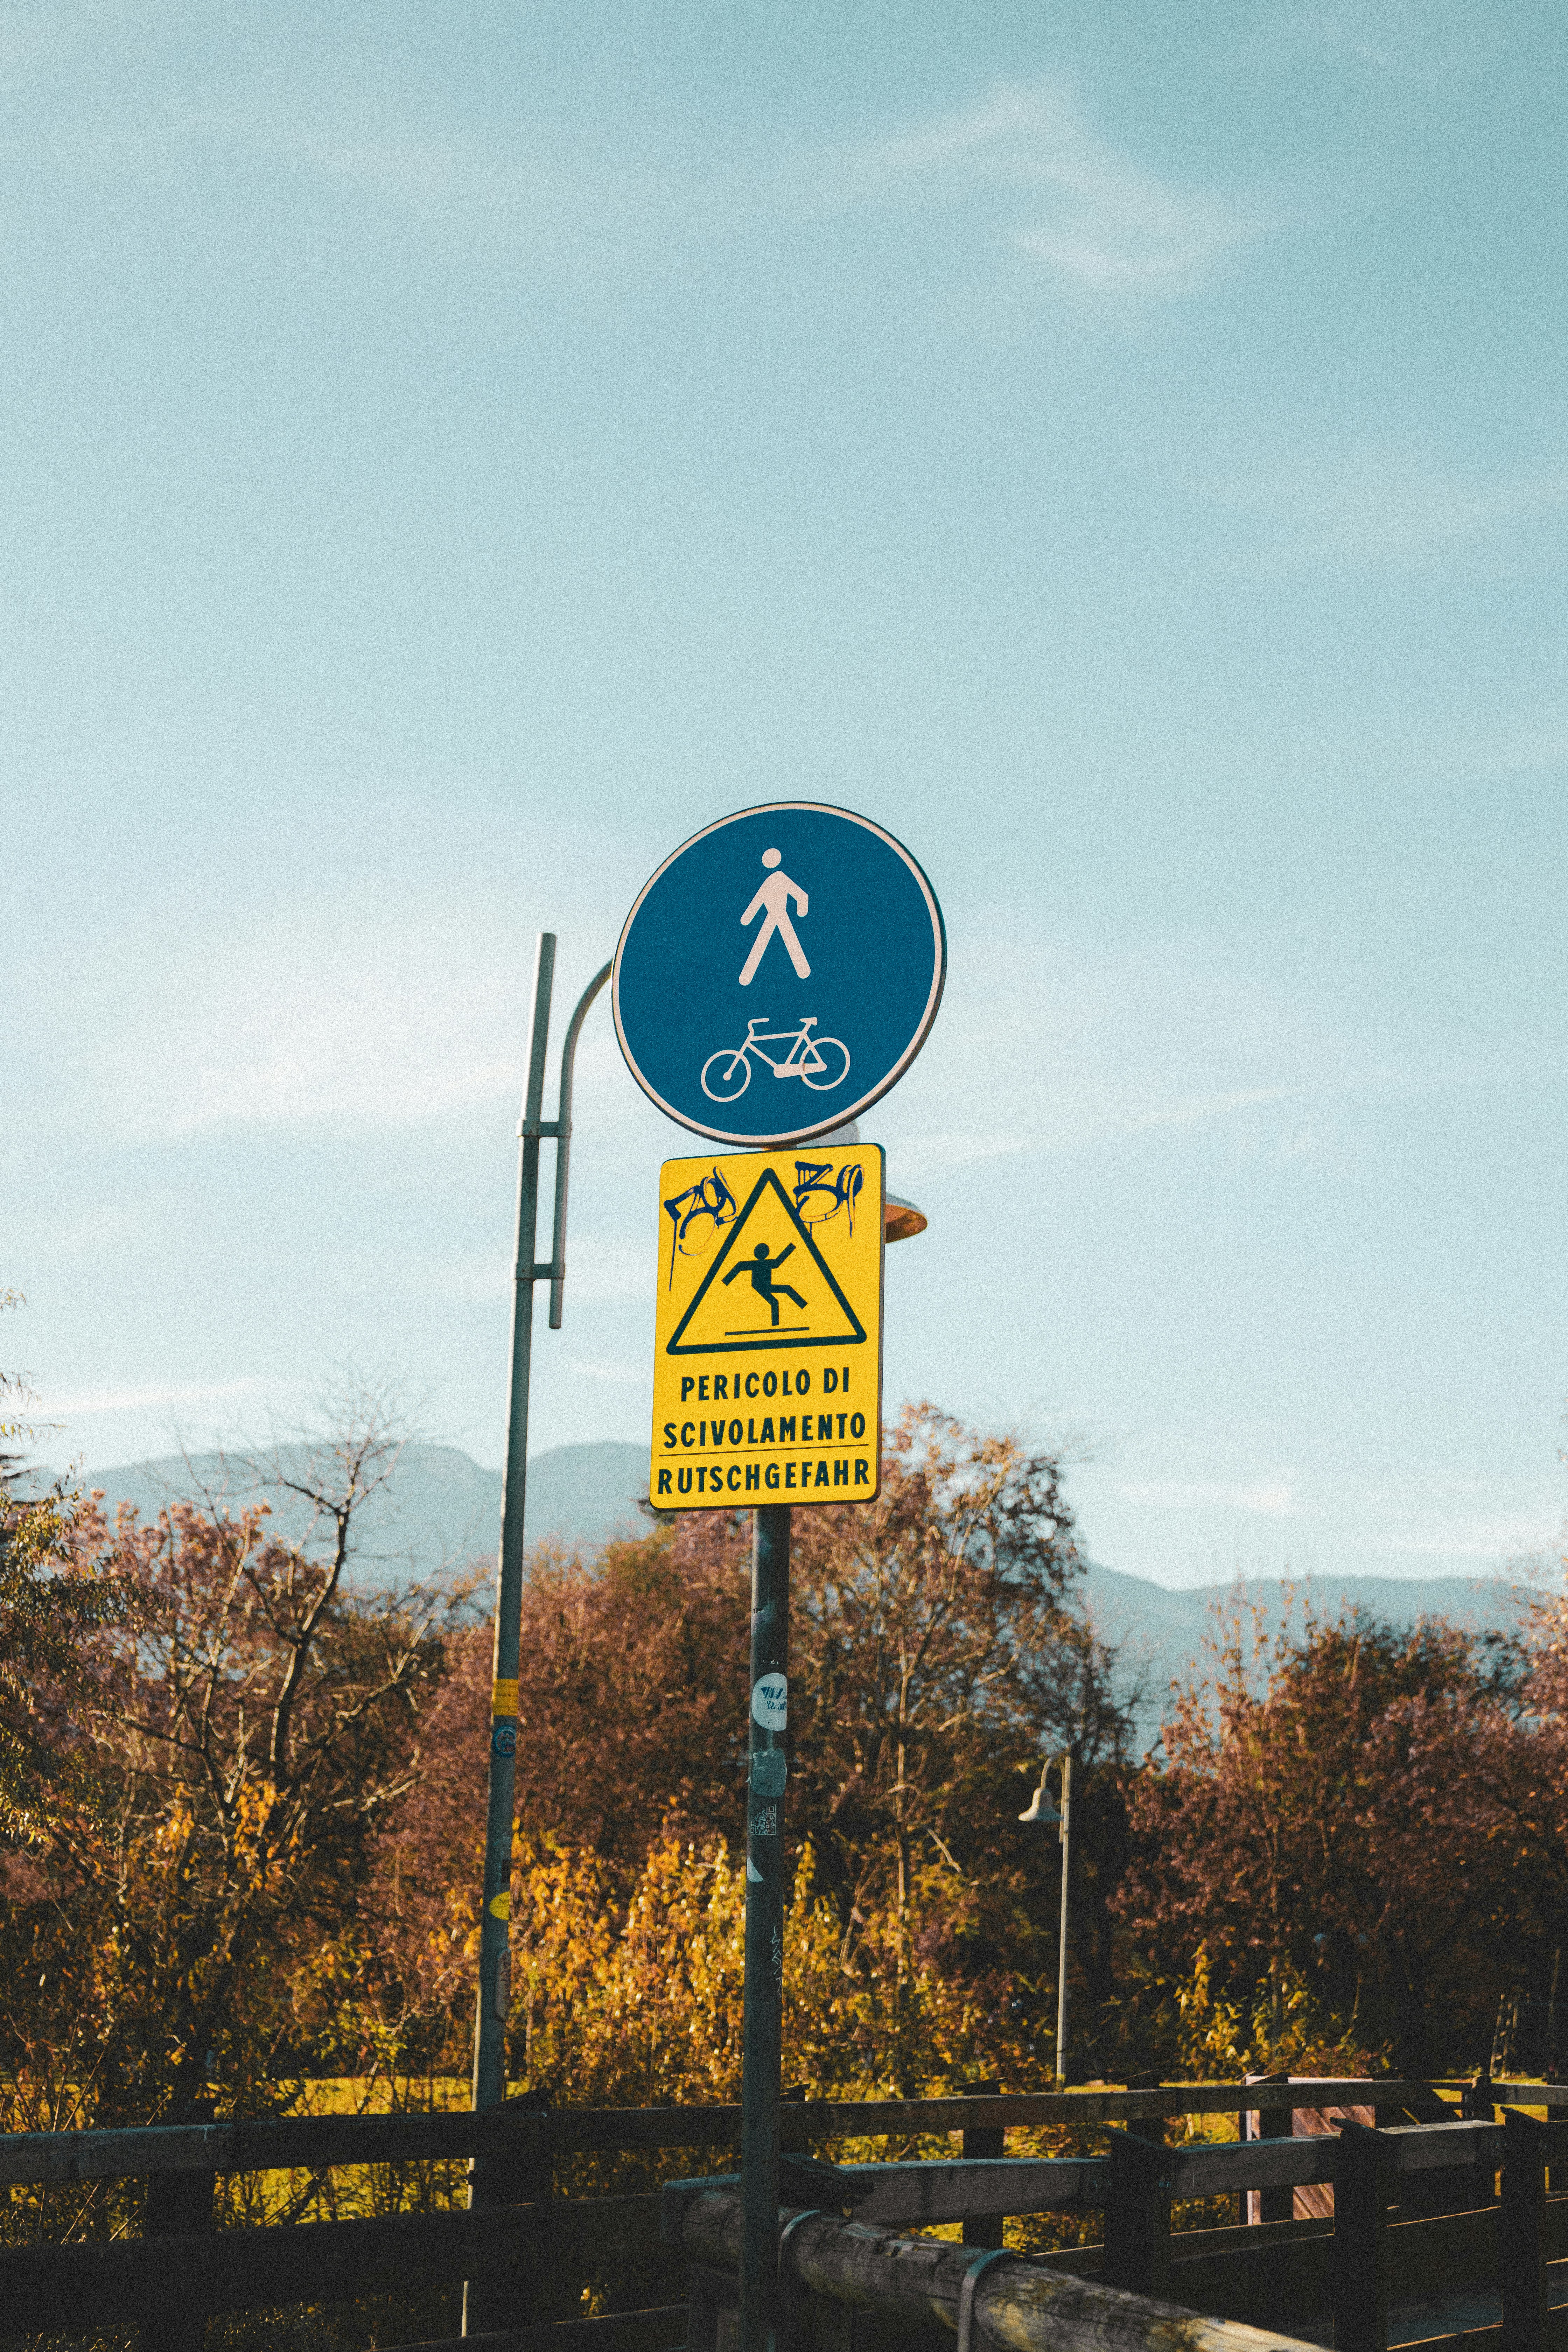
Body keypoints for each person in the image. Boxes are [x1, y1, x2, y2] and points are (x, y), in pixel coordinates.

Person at [738, 848, 810, 985]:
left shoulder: (780, 877)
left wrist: (802, 909)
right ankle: (746, 978)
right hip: (773, 916)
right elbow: (757, 901)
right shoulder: (769, 881)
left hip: (781, 915)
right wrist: (747, 918)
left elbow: (801, 895)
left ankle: (803, 971)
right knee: (764, 942)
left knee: (769, 942)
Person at [722, 1241, 806, 1327]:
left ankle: (805, 1307)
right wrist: (725, 1282)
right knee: (775, 1301)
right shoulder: (757, 1264)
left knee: (786, 1290)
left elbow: (778, 1262)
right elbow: (740, 1266)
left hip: (767, 1286)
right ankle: (776, 1325)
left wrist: (791, 1247)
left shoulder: (761, 1263)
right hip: (760, 1287)